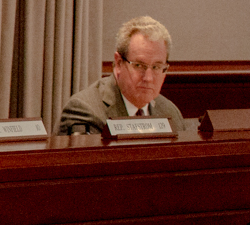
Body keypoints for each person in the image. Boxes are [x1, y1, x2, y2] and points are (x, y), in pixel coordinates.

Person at [55, 17, 183, 136]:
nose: (148, 78)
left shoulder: (170, 113)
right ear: (118, 63)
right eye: (139, 65)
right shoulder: (85, 111)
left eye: (156, 67)